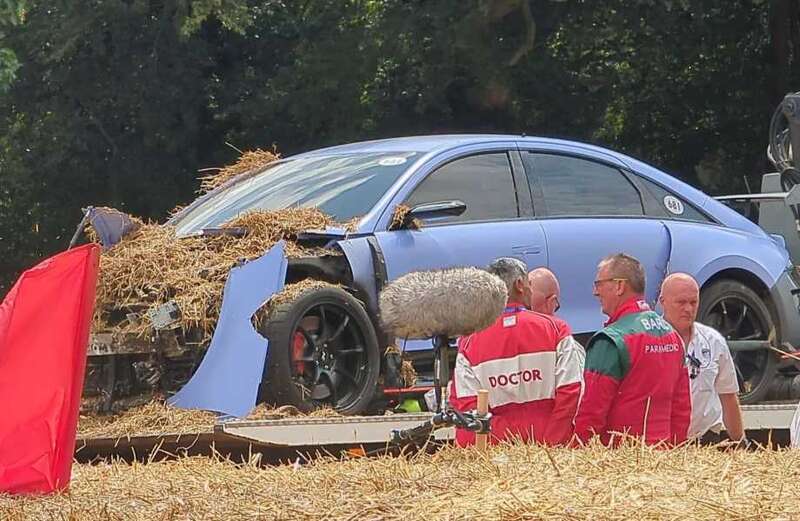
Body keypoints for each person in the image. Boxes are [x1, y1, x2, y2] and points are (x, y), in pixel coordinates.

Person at [449, 257, 585, 446]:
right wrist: (553, 443)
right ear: (520, 285)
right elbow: (571, 393)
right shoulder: (557, 330)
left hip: (500, 453)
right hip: (552, 448)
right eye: (529, 284)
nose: (530, 289)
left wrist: (503, 441)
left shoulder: (468, 343)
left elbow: (468, 408)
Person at [574, 253, 690, 446]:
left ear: (619, 286)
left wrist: (576, 456)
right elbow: (682, 409)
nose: (596, 292)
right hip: (664, 460)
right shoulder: (673, 336)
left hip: (620, 461)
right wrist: (674, 458)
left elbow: (591, 413)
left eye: (599, 284)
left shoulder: (611, 340)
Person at [659, 273, 745, 443]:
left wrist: (741, 442)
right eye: (681, 302)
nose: (688, 309)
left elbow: (728, 397)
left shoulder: (714, 341)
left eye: (693, 302)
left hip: (706, 441)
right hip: (662, 443)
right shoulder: (650, 340)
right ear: (663, 302)